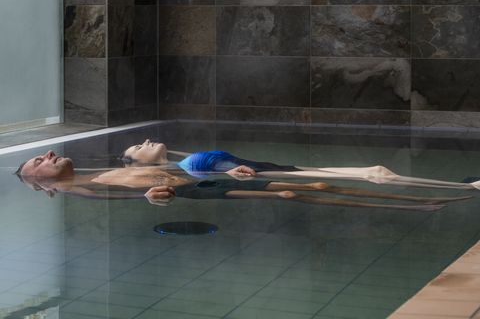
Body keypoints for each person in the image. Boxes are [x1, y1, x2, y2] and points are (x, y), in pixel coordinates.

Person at [14, 149, 472, 211]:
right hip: (193, 193)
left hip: (197, 180)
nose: (49, 154)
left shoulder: (93, 169)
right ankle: (416, 204)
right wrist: (148, 197)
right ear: (42, 184)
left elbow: (168, 168)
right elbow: (114, 201)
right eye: (40, 160)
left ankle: (422, 199)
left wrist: (221, 168)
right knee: (295, 190)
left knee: (310, 185)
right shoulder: (74, 186)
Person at [121, 140, 480, 191]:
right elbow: (211, 174)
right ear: (137, 163)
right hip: (265, 172)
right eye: (139, 147)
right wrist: (229, 173)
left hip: (270, 165)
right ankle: (465, 186)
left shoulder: (181, 158)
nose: (146, 141)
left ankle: (464, 185)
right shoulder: (187, 167)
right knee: (374, 174)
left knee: (373, 171)